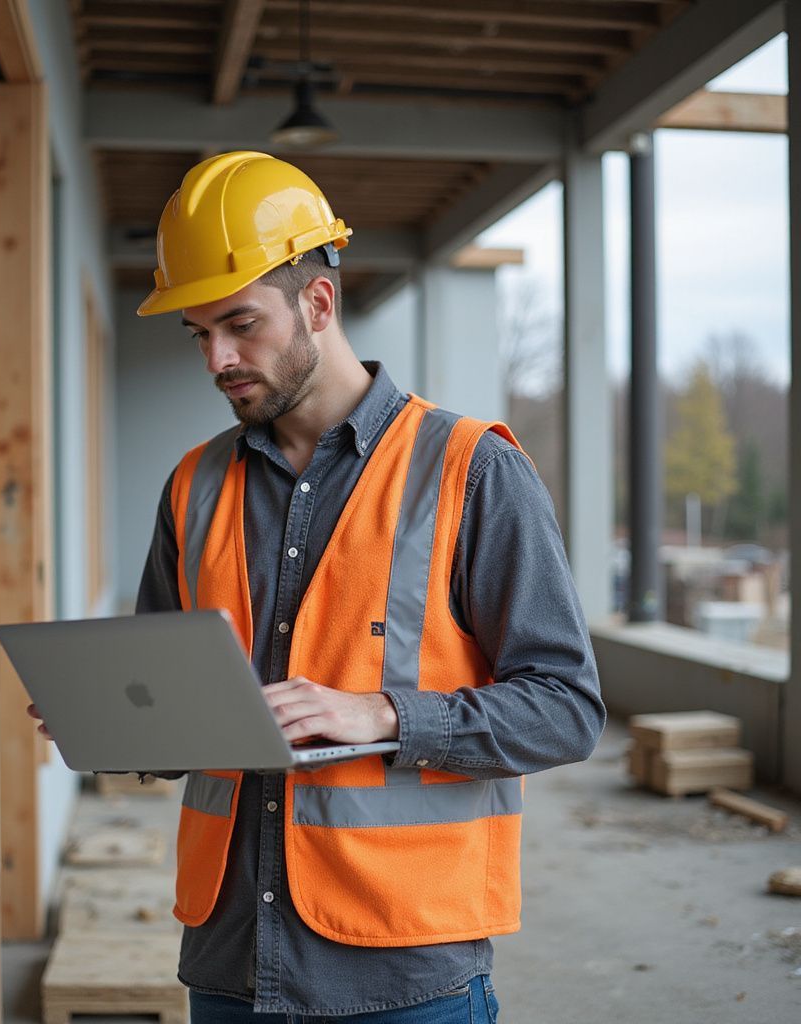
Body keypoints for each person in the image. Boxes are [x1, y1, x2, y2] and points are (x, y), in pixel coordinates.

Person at [30, 151, 606, 1023]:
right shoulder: (193, 485)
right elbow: (183, 712)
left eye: (240, 324)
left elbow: (567, 707)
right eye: (198, 334)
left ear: (318, 302)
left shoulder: (469, 470)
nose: (217, 358)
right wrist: (112, 719)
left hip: (404, 969)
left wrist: (384, 715)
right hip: (230, 962)